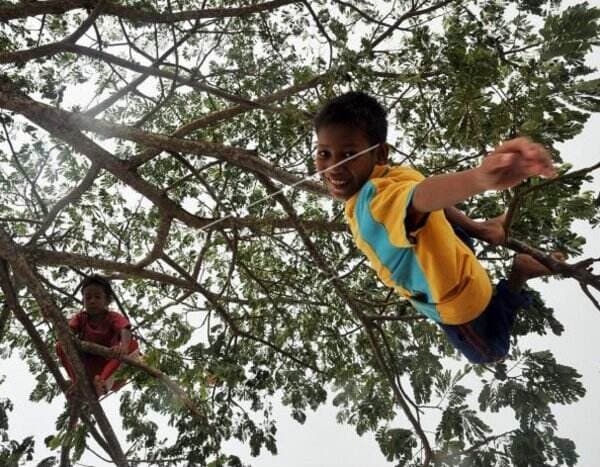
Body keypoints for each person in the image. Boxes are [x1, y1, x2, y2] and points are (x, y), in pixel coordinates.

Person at [314, 91, 561, 364]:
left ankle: (519, 273)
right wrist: (475, 227)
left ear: (381, 153)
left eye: (349, 154)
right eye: (324, 153)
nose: (333, 167)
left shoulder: (370, 206)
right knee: (419, 208)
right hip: (453, 248)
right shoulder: (393, 175)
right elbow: (424, 196)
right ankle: (482, 232)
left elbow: (422, 198)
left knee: (491, 352)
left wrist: (478, 178)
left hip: (457, 300)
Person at [56, 274, 139, 396]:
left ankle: (101, 384)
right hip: (87, 370)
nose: (92, 301)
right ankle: (78, 383)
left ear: (107, 300)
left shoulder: (112, 317)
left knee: (133, 345)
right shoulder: (81, 318)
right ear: (83, 301)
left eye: (97, 297)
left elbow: (125, 329)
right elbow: (68, 332)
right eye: (88, 298)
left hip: (110, 369)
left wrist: (124, 347)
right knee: (61, 344)